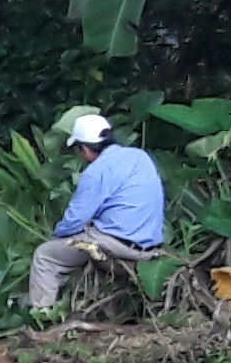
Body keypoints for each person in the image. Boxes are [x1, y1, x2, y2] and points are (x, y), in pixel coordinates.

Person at [29, 111, 169, 312]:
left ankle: (42, 315)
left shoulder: (95, 172)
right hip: (150, 246)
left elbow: (74, 220)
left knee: (45, 256)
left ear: (84, 148)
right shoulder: (140, 157)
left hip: (115, 244)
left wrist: (56, 237)